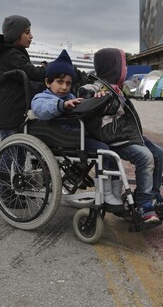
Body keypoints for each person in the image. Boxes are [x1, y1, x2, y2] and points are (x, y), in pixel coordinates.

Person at [78, 48, 163, 228]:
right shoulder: (96, 87)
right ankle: (143, 204)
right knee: (145, 157)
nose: (125, 70)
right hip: (113, 137)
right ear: (113, 68)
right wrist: (93, 97)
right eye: (124, 65)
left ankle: (152, 195)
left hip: (128, 134)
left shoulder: (118, 89)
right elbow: (84, 95)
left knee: (158, 153)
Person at [31, 50, 124, 212]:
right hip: (59, 140)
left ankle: (114, 193)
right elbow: (41, 110)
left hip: (75, 139)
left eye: (68, 83)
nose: (64, 87)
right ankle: (105, 193)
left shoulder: (72, 97)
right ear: (48, 82)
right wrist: (61, 105)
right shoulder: (41, 98)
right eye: (60, 82)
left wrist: (96, 101)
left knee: (111, 154)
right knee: (105, 152)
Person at [0, 15, 46, 140]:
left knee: (19, 153)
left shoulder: (14, 52)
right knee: (10, 154)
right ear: (15, 35)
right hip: (10, 113)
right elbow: (33, 74)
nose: (31, 36)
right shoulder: (12, 55)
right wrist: (50, 69)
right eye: (27, 32)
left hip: (12, 111)